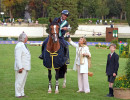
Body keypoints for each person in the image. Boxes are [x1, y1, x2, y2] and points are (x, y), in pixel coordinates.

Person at [14, 32, 31, 98]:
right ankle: (18, 94)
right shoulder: (19, 46)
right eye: (26, 37)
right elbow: (17, 57)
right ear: (24, 38)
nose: (27, 38)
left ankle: (22, 93)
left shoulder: (23, 45)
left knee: (23, 81)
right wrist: (20, 67)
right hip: (21, 67)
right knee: (19, 81)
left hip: (25, 67)